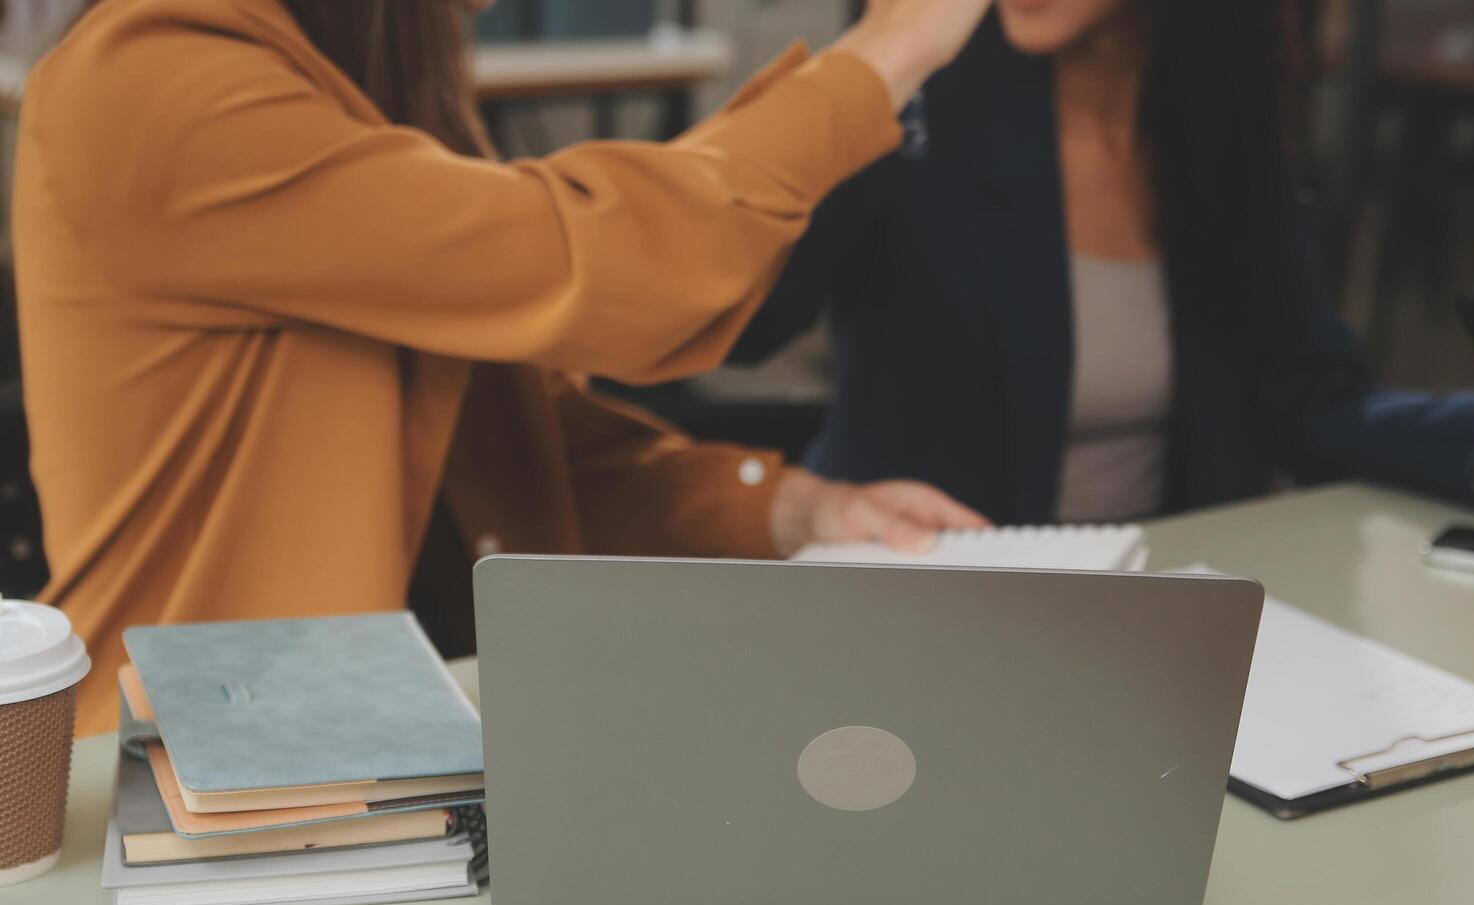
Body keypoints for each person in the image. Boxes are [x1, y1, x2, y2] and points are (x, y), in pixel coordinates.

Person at [15, 0, 995, 735]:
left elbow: (528, 454)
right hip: (203, 786)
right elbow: (610, 268)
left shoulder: (388, 83)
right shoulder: (145, 84)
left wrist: (793, 511)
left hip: (412, 764)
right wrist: (893, 44)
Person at [731, 1, 1474, 527]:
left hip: (1159, 641)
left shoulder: (1218, 132)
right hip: (919, 619)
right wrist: (869, 70)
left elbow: (1308, 406)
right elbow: (732, 324)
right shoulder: (912, 110)